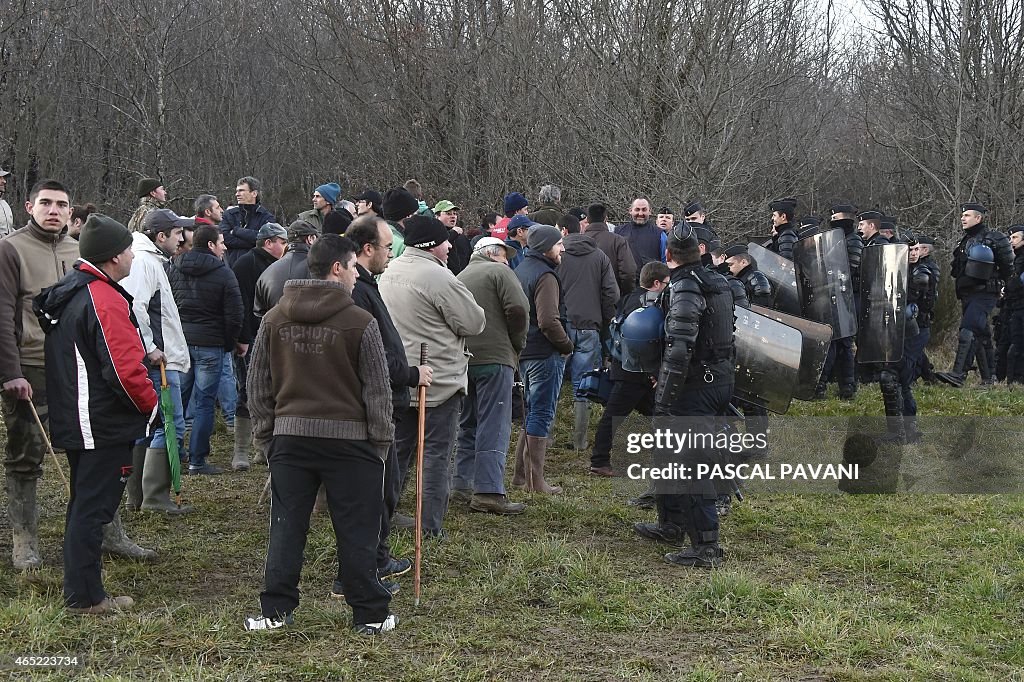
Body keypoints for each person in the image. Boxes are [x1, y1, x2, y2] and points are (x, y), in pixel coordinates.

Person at [245, 234, 398, 634]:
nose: (355, 275)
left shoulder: (274, 319)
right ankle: (370, 614)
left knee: (286, 526)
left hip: (290, 439)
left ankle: (274, 612)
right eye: (352, 267)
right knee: (358, 529)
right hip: (352, 443)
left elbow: (257, 384)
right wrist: (380, 443)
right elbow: (377, 389)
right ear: (337, 268)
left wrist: (268, 435)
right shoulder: (359, 321)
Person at [1, 180, 153, 569]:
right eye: (46, 203)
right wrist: (10, 370)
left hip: (78, 369)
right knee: (25, 454)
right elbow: (2, 316)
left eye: (62, 205)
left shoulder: (81, 252)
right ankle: (25, 541)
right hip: (30, 368)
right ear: (29, 206)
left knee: (95, 451)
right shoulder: (10, 249)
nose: (54, 210)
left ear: (72, 212)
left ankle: (107, 530)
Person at [35, 214, 158, 613]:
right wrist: (151, 405)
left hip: (79, 415)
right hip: (98, 421)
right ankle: (85, 597)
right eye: (129, 251)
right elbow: (124, 369)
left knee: (84, 505)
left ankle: (82, 589)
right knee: (93, 509)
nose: (133, 258)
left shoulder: (76, 289)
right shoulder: (101, 298)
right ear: (113, 257)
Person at [633, 223, 735, 568]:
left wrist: (664, 394)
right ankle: (671, 523)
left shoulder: (687, 285)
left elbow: (680, 347)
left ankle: (706, 547)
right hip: (716, 378)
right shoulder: (717, 281)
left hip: (695, 385)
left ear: (669, 255)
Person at [379, 215, 485, 537]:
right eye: (445, 240)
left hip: (400, 376)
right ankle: (428, 527)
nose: (450, 245)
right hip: (437, 380)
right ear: (432, 244)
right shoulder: (439, 277)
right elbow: (474, 323)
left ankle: (384, 514)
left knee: (397, 450)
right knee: (436, 454)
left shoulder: (388, 272)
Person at [343, 215, 428, 588]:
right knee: (375, 491)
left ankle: (377, 558)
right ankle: (362, 571)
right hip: (374, 403)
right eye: (386, 248)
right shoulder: (357, 291)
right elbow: (372, 352)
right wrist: (410, 374)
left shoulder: (367, 284)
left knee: (386, 487)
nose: (390, 256)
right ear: (367, 249)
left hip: (383, 398)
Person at [120, 208, 193, 514]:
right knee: (170, 424)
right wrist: (149, 347)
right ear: (160, 236)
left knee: (150, 426)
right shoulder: (145, 263)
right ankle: (155, 498)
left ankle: (137, 497)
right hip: (159, 360)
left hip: (161, 356)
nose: (183, 239)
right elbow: (133, 307)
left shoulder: (151, 260)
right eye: (178, 234)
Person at [454, 236, 530, 514]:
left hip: (463, 359)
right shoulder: (500, 272)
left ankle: (462, 483)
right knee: (495, 423)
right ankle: (488, 491)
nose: (508, 260)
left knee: (468, 422)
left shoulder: (459, 275)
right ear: (493, 253)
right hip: (496, 358)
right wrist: (517, 343)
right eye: (505, 255)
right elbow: (518, 309)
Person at [167, 225, 244, 474]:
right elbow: (235, 313)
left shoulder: (174, 268)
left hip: (181, 343)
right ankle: (197, 460)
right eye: (221, 242)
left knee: (180, 400)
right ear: (211, 245)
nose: (225, 247)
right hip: (210, 345)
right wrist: (228, 343)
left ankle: (173, 455)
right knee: (204, 403)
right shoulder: (223, 272)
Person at [590, 262, 670, 478]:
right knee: (614, 416)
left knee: (658, 413)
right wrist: (654, 372)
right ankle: (599, 461)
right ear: (656, 283)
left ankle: (664, 460)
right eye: (666, 283)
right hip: (635, 371)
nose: (667, 287)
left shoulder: (629, 298)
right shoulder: (650, 304)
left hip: (625, 366)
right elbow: (646, 341)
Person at [513, 225, 573, 494]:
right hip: (544, 352)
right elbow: (548, 320)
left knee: (530, 412)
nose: (562, 248)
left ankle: (520, 476)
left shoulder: (521, 268)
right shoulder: (545, 275)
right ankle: (535, 481)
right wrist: (566, 345)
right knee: (541, 412)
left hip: (525, 351)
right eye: (559, 244)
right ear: (546, 247)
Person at [556, 214, 619, 451]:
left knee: (553, 382)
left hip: (560, 324)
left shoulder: (557, 255)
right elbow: (611, 294)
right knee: (583, 385)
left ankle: (546, 437)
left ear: (564, 231)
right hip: (589, 326)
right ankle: (580, 441)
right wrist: (603, 321)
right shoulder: (599, 256)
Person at [936, 203, 1013, 387]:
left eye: (967, 215)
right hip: (967, 295)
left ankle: (958, 373)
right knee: (981, 335)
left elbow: (1008, 267)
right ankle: (989, 378)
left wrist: (1001, 286)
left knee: (968, 329)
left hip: (985, 293)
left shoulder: (994, 238)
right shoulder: (964, 241)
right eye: (963, 215)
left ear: (978, 218)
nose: (963, 218)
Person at [230, 222, 287, 469]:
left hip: (277, 334)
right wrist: (242, 338)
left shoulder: (281, 266)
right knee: (249, 390)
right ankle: (240, 451)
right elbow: (239, 303)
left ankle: (263, 446)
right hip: (252, 337)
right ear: (268, 243)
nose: (285, 247)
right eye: (282, 242)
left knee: (275, 390)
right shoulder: (246, 264)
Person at [254, 220, 319, 317]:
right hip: (312, 330)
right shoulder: (320, 269)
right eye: (315, 238)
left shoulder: (267, 273)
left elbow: (259, 313)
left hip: (275, 329)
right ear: (310, 239)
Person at [220, 177, 276, 267]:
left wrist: (236, 231)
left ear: (254, 193)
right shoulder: (230, 215)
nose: (237, 194)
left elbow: (266, 240)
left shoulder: (265, 216)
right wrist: (252, 242)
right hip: (232, 266)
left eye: (241, 191)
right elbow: (224, 238)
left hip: (257, 267)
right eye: (237, 191)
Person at [584, 203, 636, 295]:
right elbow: (628, 272)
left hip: (585, 296)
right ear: (606, 219)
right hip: (612, 296)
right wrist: (625, 294)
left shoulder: (578, 242)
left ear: (587, 219)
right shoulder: (618, 241)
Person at [1001, 226, 1024, 384]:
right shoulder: (1015, 259)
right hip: (1015, 306)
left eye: (1015, 238)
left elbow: (1018, 283)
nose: (1011, 241)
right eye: (1010, 238)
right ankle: (1013, 380)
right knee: (1014, 344)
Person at [615, 198, 661, 275]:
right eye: (637, 209)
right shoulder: (617, 232)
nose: (640, 213)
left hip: (652, 283)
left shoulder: (660, 234)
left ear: (650, 211)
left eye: (644, 210)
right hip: (624, 283)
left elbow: (665, 262)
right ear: (630, 210)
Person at [380, 187, 419, 260]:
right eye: (415, 214)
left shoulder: (376, 236)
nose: (418, 219)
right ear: (408, 216)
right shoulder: (404, 246)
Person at [434, 200, 470, 275]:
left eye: (455, 213)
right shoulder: (432, 234)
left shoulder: (461, 237)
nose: (453, 216)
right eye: (448, 214)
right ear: (437, 216)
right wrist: (453, 233)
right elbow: (437, 243)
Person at [0, 166, 15, 238]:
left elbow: (9, 230)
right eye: (0, 178)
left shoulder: (4, 204)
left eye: (3, 178)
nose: (4, 181)